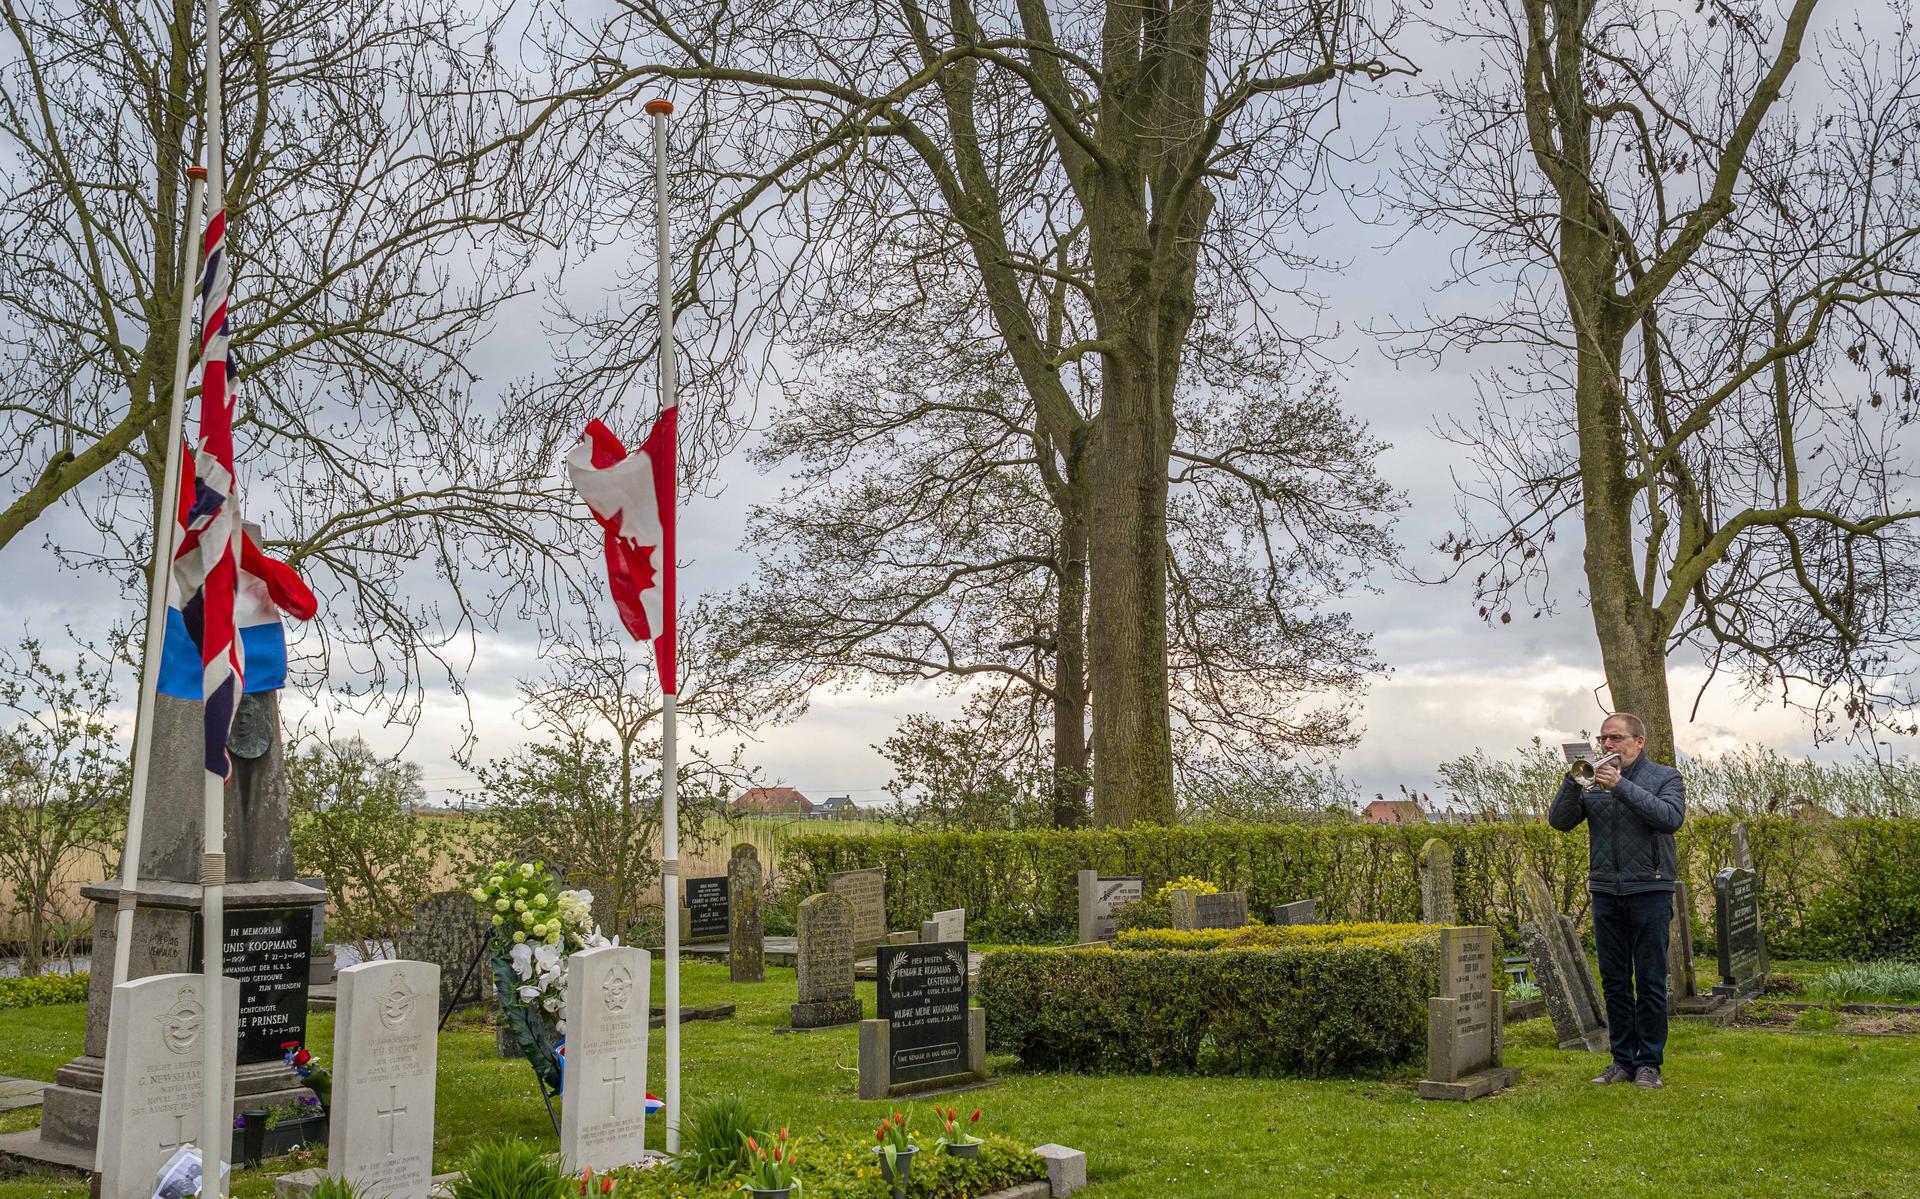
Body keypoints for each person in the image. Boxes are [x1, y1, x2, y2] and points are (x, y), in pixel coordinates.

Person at [1548, 712, 1686, 1089]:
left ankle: (1650, 1064)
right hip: (1606, 890)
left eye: (1616, 738)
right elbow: (1560, 822)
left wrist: (1621, 786)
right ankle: (1621, 1061)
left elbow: (1670, 818)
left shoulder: (1665, 777)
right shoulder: (1590, 780)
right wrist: (1573, 781)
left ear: (1638, 742)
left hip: (1650, 889)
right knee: (1614, 982)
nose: (1608, 745)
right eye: (1603, 738)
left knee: (1651, 981)